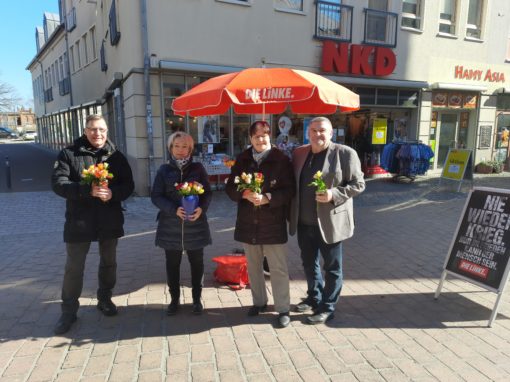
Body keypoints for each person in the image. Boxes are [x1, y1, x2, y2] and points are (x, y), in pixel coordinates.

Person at [52, 114, 134, 335]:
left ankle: (105, 299)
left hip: (109, 218)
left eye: (101, 130)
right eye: (93, 129)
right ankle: (68, 311)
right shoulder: (69, 153)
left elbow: (128, 185)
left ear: (107, 131)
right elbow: (59, 184)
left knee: (109, 263)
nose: (97, 134)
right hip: (80, 221)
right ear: (85, 130)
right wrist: (85, 190)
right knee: (74, 267)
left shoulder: (116, 156)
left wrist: (113, 194)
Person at [289, 116, 365, 325]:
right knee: (308, 263)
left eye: (322, 130)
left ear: (331, 133)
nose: (317, 134)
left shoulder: (345, 153)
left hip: (330, 222)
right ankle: (314, 297)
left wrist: (335, 194)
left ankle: (328, 307)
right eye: (313, 130)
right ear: (307, 133)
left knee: (332, 267)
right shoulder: (299, 153)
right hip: (303, 222)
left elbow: (359, 184)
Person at [226, 120, 295, 328]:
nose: (261, 139)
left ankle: (283, 308)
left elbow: (289, 190)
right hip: (249, 222)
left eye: (264, 135)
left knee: (278, 268)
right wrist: (243, 193)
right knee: (254, 267)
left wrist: (267, 197)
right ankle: (259, 302)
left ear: (270, 136)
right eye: (256, 136)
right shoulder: (243, 159)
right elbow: (230, 188)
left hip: (272, 222)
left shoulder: (281, 159)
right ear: (250, 139)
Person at [151, 132, 212, 315]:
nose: (180, 150)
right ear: (170, 148)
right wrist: (173, 209)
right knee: (172, 264)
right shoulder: (163, 170)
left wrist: (202, 208)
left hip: (196, 224)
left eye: (184, 146)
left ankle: (196, 299)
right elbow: (156, 196)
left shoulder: (198, 168)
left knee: (197, 263)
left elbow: (207, 193)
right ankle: (174, 300)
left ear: (190, 149)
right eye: (176, 146)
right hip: (170, 225)